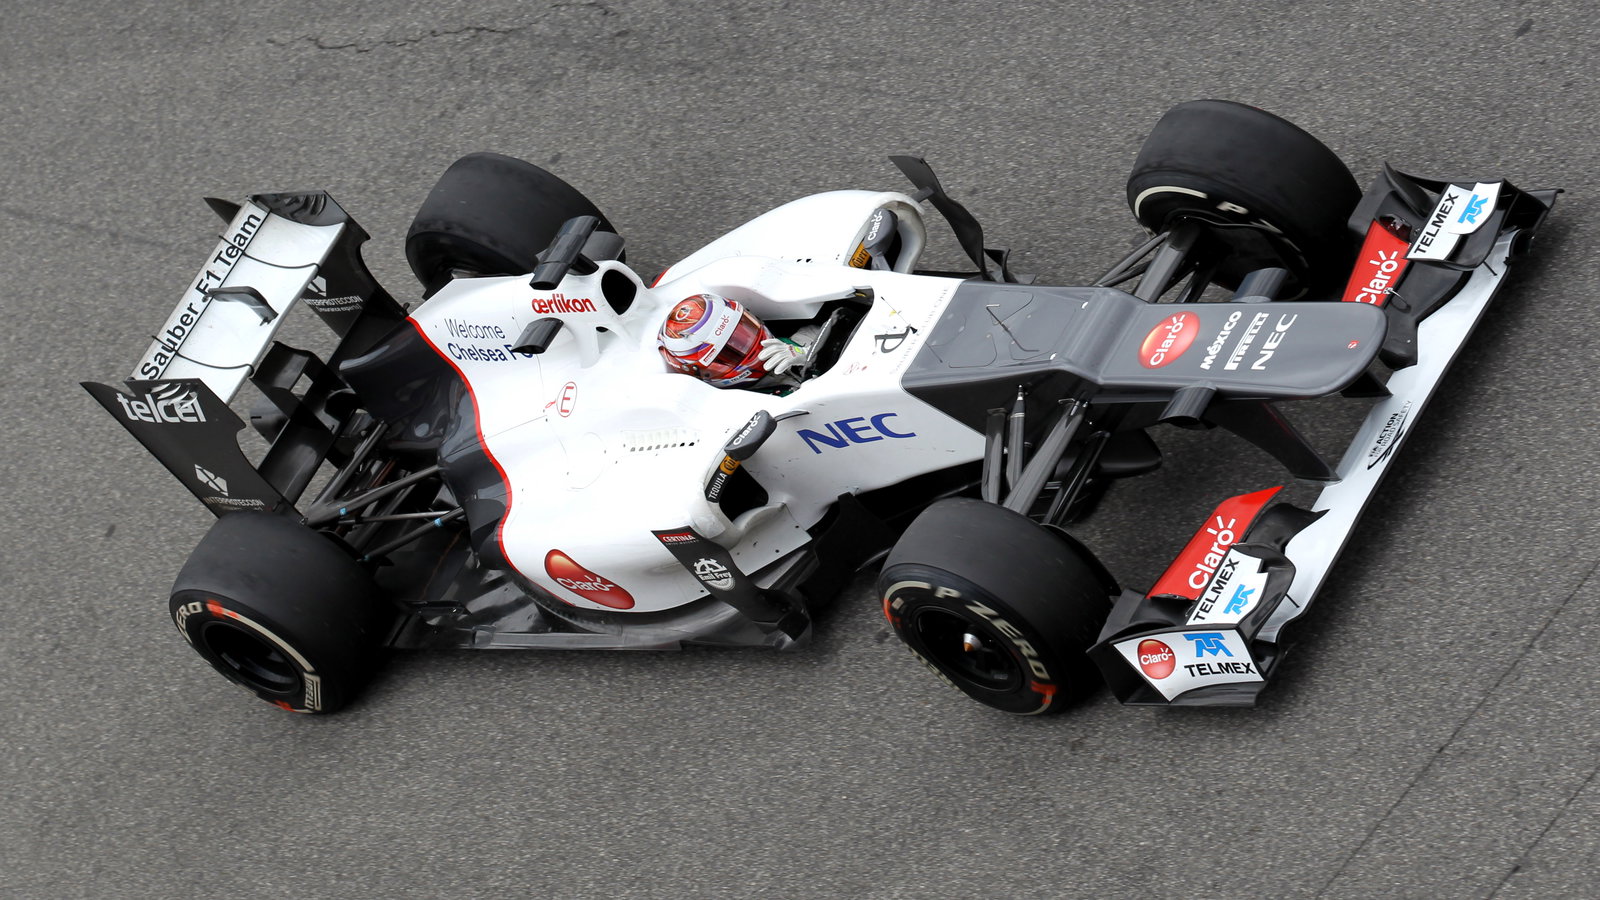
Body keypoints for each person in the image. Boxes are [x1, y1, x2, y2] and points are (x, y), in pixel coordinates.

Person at [657, 292, 813, 388]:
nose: (753, 347)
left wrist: (810, 354)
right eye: (728, 353)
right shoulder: (741, 411)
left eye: (744, 332)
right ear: (703, 373)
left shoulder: (807, 336)